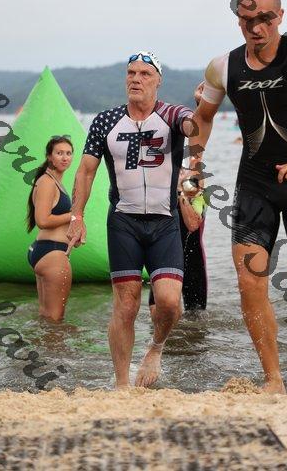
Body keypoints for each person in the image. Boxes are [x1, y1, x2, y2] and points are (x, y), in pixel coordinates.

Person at [193, 0, 287, 395]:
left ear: (281, 16)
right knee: (250, 280)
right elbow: (204, 116)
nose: (256, 27)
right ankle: (274, 380)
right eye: (247, 19)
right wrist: (193, 165)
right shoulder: (223, 67)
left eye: (266, 18)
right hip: (254, 185)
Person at [66, 51, 195, 388]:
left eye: (145, 74)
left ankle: (156, 347)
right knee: (126, 305)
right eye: (131, 73)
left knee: (169, 302)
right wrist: (77, 215)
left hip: (165, 222)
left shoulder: (172, 115)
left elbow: (194, 126)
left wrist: (205, 108)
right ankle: (122, 384)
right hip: (124, 222)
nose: (136, 79)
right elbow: (85, 171)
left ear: (158, 81)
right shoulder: (106, 121)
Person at [26, 135, 74, 322]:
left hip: (46, 251)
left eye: (68, 153)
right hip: (53, 254)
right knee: (56, 320)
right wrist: (73, 216)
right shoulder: (47, 182)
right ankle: (54, 344)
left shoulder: (54, 181)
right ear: (49, 156)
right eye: (59, 153)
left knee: (46, 318)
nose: (65, 157)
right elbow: (43, 220)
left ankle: (42, 343)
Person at [148, 169, 207, 317]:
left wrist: (181, 193)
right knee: (159, 313)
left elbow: (192, 225)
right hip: (164, 257)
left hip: (192, 261)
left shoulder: (197, 184)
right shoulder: (158, 182)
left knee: (196, 318)